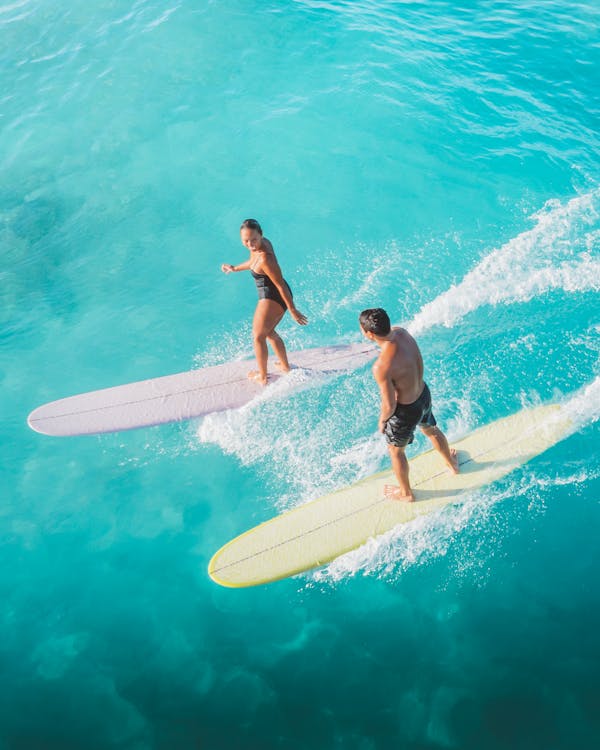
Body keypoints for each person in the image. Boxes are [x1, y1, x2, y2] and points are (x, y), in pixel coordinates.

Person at [359, 307, 459, 501]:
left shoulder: (382, 367)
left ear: (369, 334)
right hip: (423, 394)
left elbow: (388, 404)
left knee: (396, 452)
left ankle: (406, 493)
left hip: (405, 411)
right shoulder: (402, 332)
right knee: (431, 430)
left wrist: (382, 421)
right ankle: (452, 463)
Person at [221, 219, 308, 385]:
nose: (250, 244)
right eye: (245, 240)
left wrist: (292, 310)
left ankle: (262, 377)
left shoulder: (266, 259)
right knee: (268, 332)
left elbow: (280, 285)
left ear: (261, 235)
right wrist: (235, 268)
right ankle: (285, 366)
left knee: (258, 336)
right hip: (270, 294)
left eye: (253, 239)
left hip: (274, 296)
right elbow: (252, 262)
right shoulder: (259, 247)